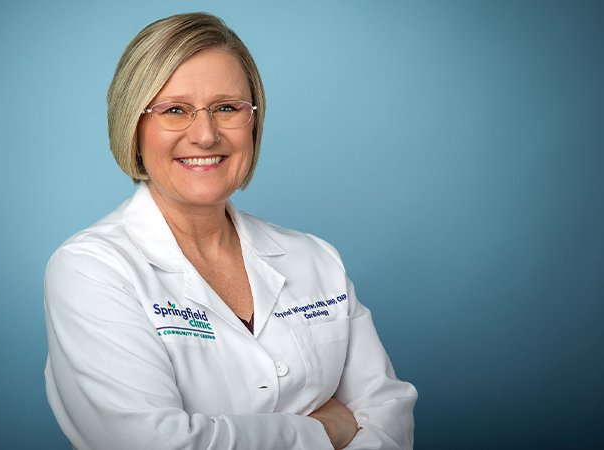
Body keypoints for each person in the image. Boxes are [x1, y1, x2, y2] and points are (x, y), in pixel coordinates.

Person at [44, 12, 417, 450]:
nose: (205, 135)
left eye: (226, 108)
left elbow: (389, 414)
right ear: (133, 126)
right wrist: (326, 430)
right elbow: (154, 444)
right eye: (175, 110)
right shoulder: (91, 269)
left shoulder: (315, 258)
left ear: (253, 122)